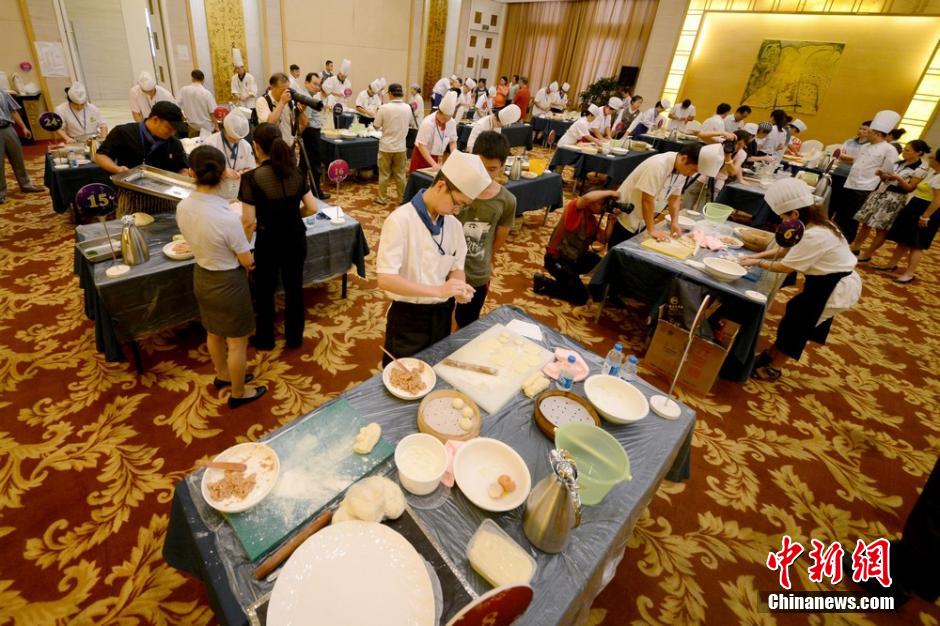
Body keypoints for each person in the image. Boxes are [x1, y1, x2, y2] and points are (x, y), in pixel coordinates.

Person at [376, 150, 491, 364]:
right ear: (440, 186)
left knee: (435, 365)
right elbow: (386, 279)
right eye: (457, 203)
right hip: (408, 316)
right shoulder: (400, 221)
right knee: (403, 373)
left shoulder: (453, 225)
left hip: (442, 313)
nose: (457, 210)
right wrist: (438, 290)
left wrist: (458, 287)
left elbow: (457, 266)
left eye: (463, 206)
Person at [741, 178, 861, 381]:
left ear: (795, 214)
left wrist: (756, 262)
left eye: (782, 217)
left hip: (835, 286)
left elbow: (786, 266)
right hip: (824, 281)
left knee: (797, 327)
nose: (782, 221)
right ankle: (770, 355)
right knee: (793, 317)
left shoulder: (815, 235)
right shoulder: (813, 224)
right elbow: (787, 249)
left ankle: (774, 368)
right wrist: (759, 255)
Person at [176, 145, 266, 408]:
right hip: (228, 283)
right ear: (223, 173)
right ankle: (239, 393)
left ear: (191, 172)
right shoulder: (226, 217)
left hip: (202, 276)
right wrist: (248, 262)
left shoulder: (183, 206)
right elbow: (246, 260)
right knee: (237, 343)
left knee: (214, 332)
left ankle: (223, 375)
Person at [239, 123, 319, 350]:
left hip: (269, 240)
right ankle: (295, 338)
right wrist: (293, 215)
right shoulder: (297, 172)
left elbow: (248, 222)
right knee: (294, 288)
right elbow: (312, 208)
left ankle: (265, 339)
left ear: (256, 146)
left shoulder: (252, 178)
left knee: (265, 292)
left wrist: (243, 250)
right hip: (296, 237)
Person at [454, 131, 516, 327]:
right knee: (437, 318)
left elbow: (500, 237)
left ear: (502, 166)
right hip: (445, 266)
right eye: (480, 167)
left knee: (467, 322)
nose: (485, 174)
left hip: (477, 271)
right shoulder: (454, 187)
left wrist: (486, 256)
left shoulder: (507, 200)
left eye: (492, 169)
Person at [609, 143, 723, 247]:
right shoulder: (658, 165)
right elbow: (647, 200)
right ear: (684, 158)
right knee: (620, 246)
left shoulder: (681, 169)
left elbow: (675, 198)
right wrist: (651, 229)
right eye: (693, 170)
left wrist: (674, 222)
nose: (691, 174)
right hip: (628, 211)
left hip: (644, 216)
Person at [532, 189, 618, 305]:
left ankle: (572, 280)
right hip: (556, 260)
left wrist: (611, 222)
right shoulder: (574, 209)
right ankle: (544, 283)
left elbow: (603, 239)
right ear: (590, 202)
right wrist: (611, 193)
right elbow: (587, 198)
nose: (604, 207)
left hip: (574, 259)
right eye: (602, 204)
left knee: (601, 263)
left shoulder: (591, 219)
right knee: (580, 297)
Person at [850, 139, 930, 262]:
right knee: (866, 222)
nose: (904, 152)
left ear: (918, 152)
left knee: (881, 229)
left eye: (908, 150)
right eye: (904, 149)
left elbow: (909, 188)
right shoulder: (899, 162)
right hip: (882, 193)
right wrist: (882, 175)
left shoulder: (920, 169)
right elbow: (886, 179)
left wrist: (898, 178)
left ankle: (867, 254)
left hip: (895, 198)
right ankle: (856, 246)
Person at [834, 110, 902, 241]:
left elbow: (890, 171)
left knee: (851, 217)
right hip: (849, 183)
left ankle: (847, 242)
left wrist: (882, 175)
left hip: (864, 187)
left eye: (869, 132)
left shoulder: (889, 149)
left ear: (877, 134)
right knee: (840, 215)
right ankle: (835, 239)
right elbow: (857, 163)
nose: (866, 134)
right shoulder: (865, 146)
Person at [879, 147, 940, 283]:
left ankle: (909, 273)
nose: (929, 159)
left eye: (932, 157)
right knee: (904, 239)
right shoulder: (932, 173)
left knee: (916, 243)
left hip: (927, 210)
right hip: (916, 206)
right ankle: (891, 264)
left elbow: (938, 200)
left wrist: (925, 216)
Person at [95, 101, 188, 175]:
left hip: (164, 190)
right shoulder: (123, 133)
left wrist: (184, 175)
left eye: (175, 130)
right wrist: (117, 169)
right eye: (169, 128)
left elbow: (183, 168)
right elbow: (101, 155)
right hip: (130, 187)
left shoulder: (175, 143)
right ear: (155, 120)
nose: (172, 133)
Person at [374, 83, 413, 205]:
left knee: (384, 174)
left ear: (390, 93)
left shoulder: (384, 108)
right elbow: (410, 124)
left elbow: (376, 125)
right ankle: (402, 198)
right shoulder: (408, 108)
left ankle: (382, 199)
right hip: (401, 147)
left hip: (386, 147)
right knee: (400, 175)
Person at [204, 110, 256, 199]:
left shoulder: (245, 145)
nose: (236, 141)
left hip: (237, 190)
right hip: (215, 191)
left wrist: (243, 172)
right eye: (233, 138)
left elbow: (251, 167)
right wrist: (222, 171)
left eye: (239, 138)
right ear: (225, 130)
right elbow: (203, 169)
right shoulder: (210, 143)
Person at [0, 88, 40, 204]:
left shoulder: (3, 93)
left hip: (8, 128)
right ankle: (1, 193)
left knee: (18, 158)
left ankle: (26, 185)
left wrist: (24, 127)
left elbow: (13, 111)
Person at [409, 91, 459, 173]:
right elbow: (421, 145)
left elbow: (453, 141)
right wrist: (433, 164)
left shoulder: (451, 122)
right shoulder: (428, 122)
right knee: (419, 178)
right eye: (444, 119)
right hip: (421, 155)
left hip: (436, 156)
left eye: (448, 119)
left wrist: (455, 156)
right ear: (439, 112)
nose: (446, 121)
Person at [256, 73, 307, 148]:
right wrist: (282, 103)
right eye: (282, 90)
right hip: (272, 149)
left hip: (289, 148)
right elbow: (268, 125)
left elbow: (303, 124)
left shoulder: (289, 101)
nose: (285, 93)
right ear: (272, 87)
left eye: (287, 90)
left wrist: (301, 111)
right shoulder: (262, 101)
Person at [300, 72, 328, 199]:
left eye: (318, 84)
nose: (317, 87)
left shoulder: (306, 95)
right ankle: (316, 192)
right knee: (315, 164)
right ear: (306, 83)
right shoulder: (307, 98)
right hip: (311, 133)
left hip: (309, 132)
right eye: (314, 84)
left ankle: (302, 191)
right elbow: (305, 121)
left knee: (304, 164)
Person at [177, 70, 217, 137]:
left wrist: (183, 117)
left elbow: (176, 106)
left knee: (193, 143)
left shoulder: (184, 90)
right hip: (207, 128)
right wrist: (217, 126)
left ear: (192, 78)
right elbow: (212, 113)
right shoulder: (206, 93)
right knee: (208, 143)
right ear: (203, 80)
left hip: (192, 127)